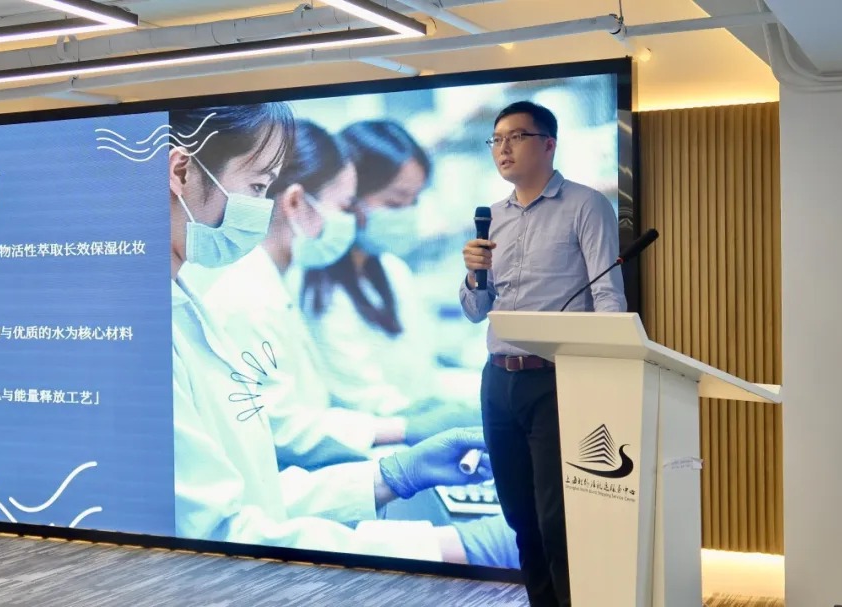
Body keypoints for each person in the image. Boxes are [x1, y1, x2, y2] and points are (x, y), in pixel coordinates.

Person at [167, 103, 517, 567]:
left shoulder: (195, 305)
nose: (263, 206)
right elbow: (221, 529)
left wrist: (393, 474)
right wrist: (450, 548)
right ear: (180, 172)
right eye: (257, 187)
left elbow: (257, 492)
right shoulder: (223, 302)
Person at [180, 119, 464, 471]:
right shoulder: (249, 295)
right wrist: (403, 430)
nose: (351, 220)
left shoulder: (272, 284)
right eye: (345, 207)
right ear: (296, 202)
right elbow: (280, 425)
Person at [458, 100, 626, 607]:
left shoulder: (586, 205)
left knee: (558, 519)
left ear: (548, 144)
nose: (503, 148)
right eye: (496, 139)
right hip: (498, 380)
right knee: (520, 516)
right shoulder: (493, 219)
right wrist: (473, 275)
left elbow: (608, 298)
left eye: (516, 136)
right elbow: (476, 310)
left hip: (557, 380)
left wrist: (606, 380)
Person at [300, 119, 480, 423]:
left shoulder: (392, 270)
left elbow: (422, 379)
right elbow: (367, 399)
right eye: (395, 203)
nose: (408, 215)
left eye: (414, 201)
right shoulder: (317, 290)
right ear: (348, 196)